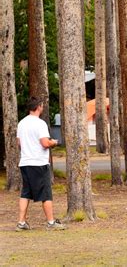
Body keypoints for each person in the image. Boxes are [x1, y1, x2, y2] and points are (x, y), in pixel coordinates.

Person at [16, 96, 65, 231]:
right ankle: (51, 222)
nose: (42, 108)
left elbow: (19, 143)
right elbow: (44, 143)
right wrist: (53, 142)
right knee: (46, 193)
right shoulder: (40, 124)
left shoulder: (21, 123)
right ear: (38, 107)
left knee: (25, 193)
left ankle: (21, 223)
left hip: (25, 162)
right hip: (38, 163)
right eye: (42, 106)